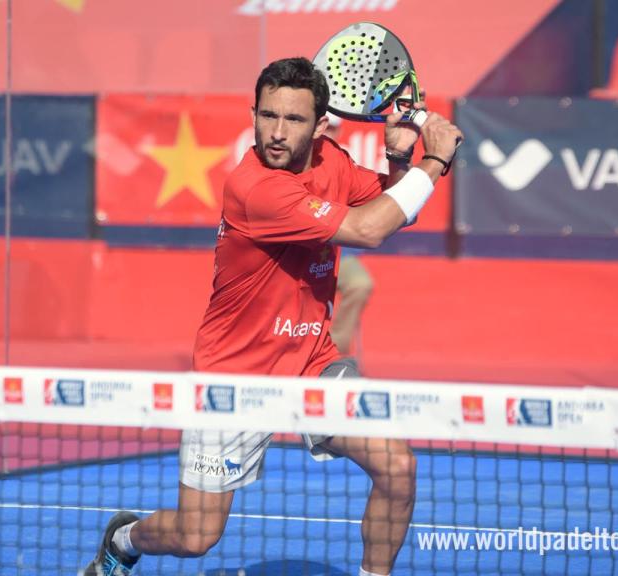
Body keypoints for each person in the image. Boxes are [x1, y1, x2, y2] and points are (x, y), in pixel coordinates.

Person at [85, 57, 462, 576]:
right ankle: (124, 539)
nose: (277, 133)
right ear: (254, 115)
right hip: (234, 380)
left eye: (294, 119)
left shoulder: (331, 161)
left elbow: (395, 209)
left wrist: (400, 158)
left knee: (397, 467)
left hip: (311, 364)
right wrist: (433, 160)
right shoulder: (255, 188)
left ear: (321, 125)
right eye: (268, 116)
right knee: (196, 537)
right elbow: (368, 230)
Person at [323, 113, 375, 356]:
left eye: (333, 128)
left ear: (339, 131)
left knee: (360, 283)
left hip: (337, 251)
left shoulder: (347, 163)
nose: (328, 134)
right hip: (297, 248)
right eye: (325, 127)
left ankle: (334, 350)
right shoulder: (297, 157)